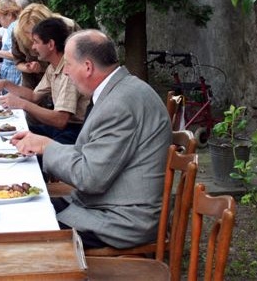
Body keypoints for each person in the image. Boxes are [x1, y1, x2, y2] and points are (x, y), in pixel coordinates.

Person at [11, 30, 172, 249]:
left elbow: (89, 177)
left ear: (87, 67)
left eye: (68, 64)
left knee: (19, 232)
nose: (65, 72)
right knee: (18, 208)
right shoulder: (120, 90)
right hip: (103, 205)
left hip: (120, 221)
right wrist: (44, 145)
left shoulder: (119, 104)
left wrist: (46, 147)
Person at [0, 18, 89, 145]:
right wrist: (4, 84)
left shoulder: (68, 71)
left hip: (74, 132)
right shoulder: (53, 67)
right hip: (61, 129)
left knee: (24, 146)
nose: (33, 47)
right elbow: (34, 96)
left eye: (36, 42)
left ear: (51, 45)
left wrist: (22, 104)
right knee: (12, 134)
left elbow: (60, 120)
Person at [0, 0, 22, 85]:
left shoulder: (14, 28)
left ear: (9, 15)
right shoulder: (14, 26)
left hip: (14, 75)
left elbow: (16, 55)